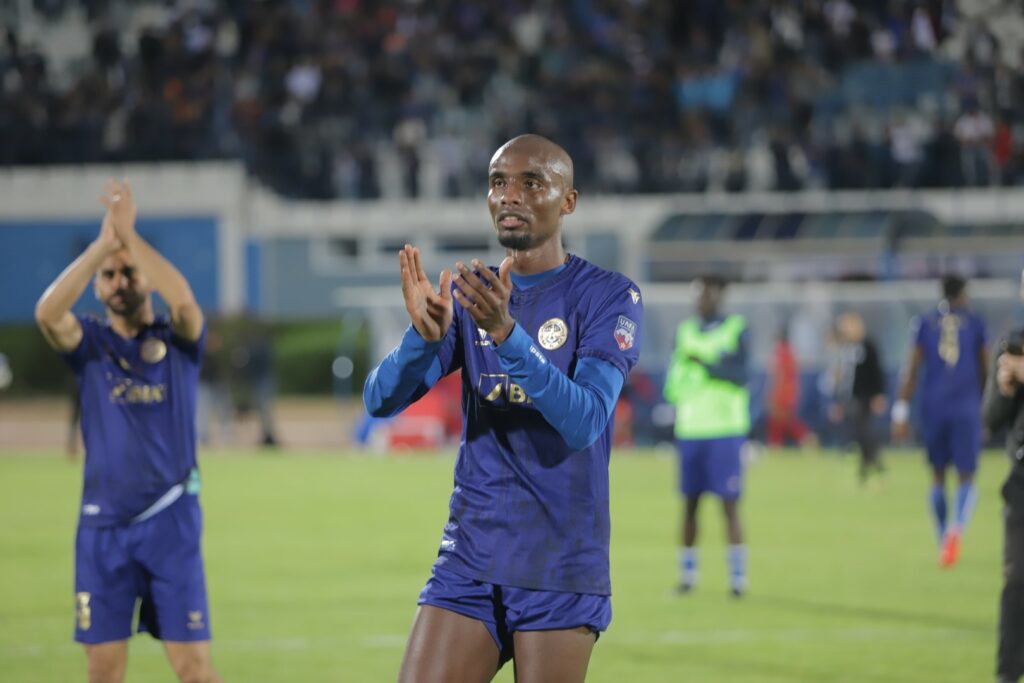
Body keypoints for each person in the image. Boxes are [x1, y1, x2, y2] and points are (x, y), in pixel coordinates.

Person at [363, 134, 642, 682]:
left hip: (559, 563)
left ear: (568, 201)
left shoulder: (609, 296)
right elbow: (379, 400)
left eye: (531, 182)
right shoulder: (471, 296)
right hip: (471, 554)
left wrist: (507, 335)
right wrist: (421, 340)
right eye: (498, 182)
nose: (510, 194)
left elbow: (585, 421)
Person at [34, 180, 221, 683]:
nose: (119, 282)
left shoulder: (178, 341)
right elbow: (47, 313)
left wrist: (129, 237)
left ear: (148, 278)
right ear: (97, 287)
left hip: (171, 522)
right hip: (103, 529)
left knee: (195, 670)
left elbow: (185, 302)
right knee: (103, 672)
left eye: (129, 272)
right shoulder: (90, 345)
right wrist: (103, 246)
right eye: (109, 276)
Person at [663, 275, 750, 596]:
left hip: (725, 430)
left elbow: (742, 374)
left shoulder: (736, 329)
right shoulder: (684, 331)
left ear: (719, 295)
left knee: (730, 506)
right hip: (690, 430)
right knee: (689, 505)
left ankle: (737, 579)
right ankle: (688, 576)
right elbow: (675, 379)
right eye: (697, 293)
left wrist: (705, 364)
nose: (701, 299)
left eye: (707, 293)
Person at [893, 275, 988, 568]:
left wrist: (900, 410)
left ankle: (942, 535)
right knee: (966, 475)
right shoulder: (975, 323)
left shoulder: (924, 322)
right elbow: (986, 367)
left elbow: (911, 367)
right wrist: (989, 409)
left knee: (937, 475)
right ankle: (956, 530)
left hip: (933, 408)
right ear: (963, 294)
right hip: (966, 408)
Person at [985, 295, 1024, 683]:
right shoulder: (1013, 344)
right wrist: (1005, 390)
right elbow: (990, 418)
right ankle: (1007, 675)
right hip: (1021, 482)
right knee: (1017, 581)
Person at [830, 312, 887, 486]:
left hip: (866, 396)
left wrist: (878, 395)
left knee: (864, 431)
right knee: (858, 432)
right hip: (851, 396)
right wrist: (839, 400)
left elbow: (877, 371)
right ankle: (871, 464)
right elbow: (844, 376)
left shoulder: (868, 346)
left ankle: (870, 465)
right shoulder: (847, 348)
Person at [765, 328, 814, 449]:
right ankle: (776, 442)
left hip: (783, 390)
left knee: (782, 418)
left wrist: (774, 392)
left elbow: (780, 373)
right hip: (791, 389)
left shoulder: (781, 352)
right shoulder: (791, 351)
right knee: (781, 419)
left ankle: (803, 437)